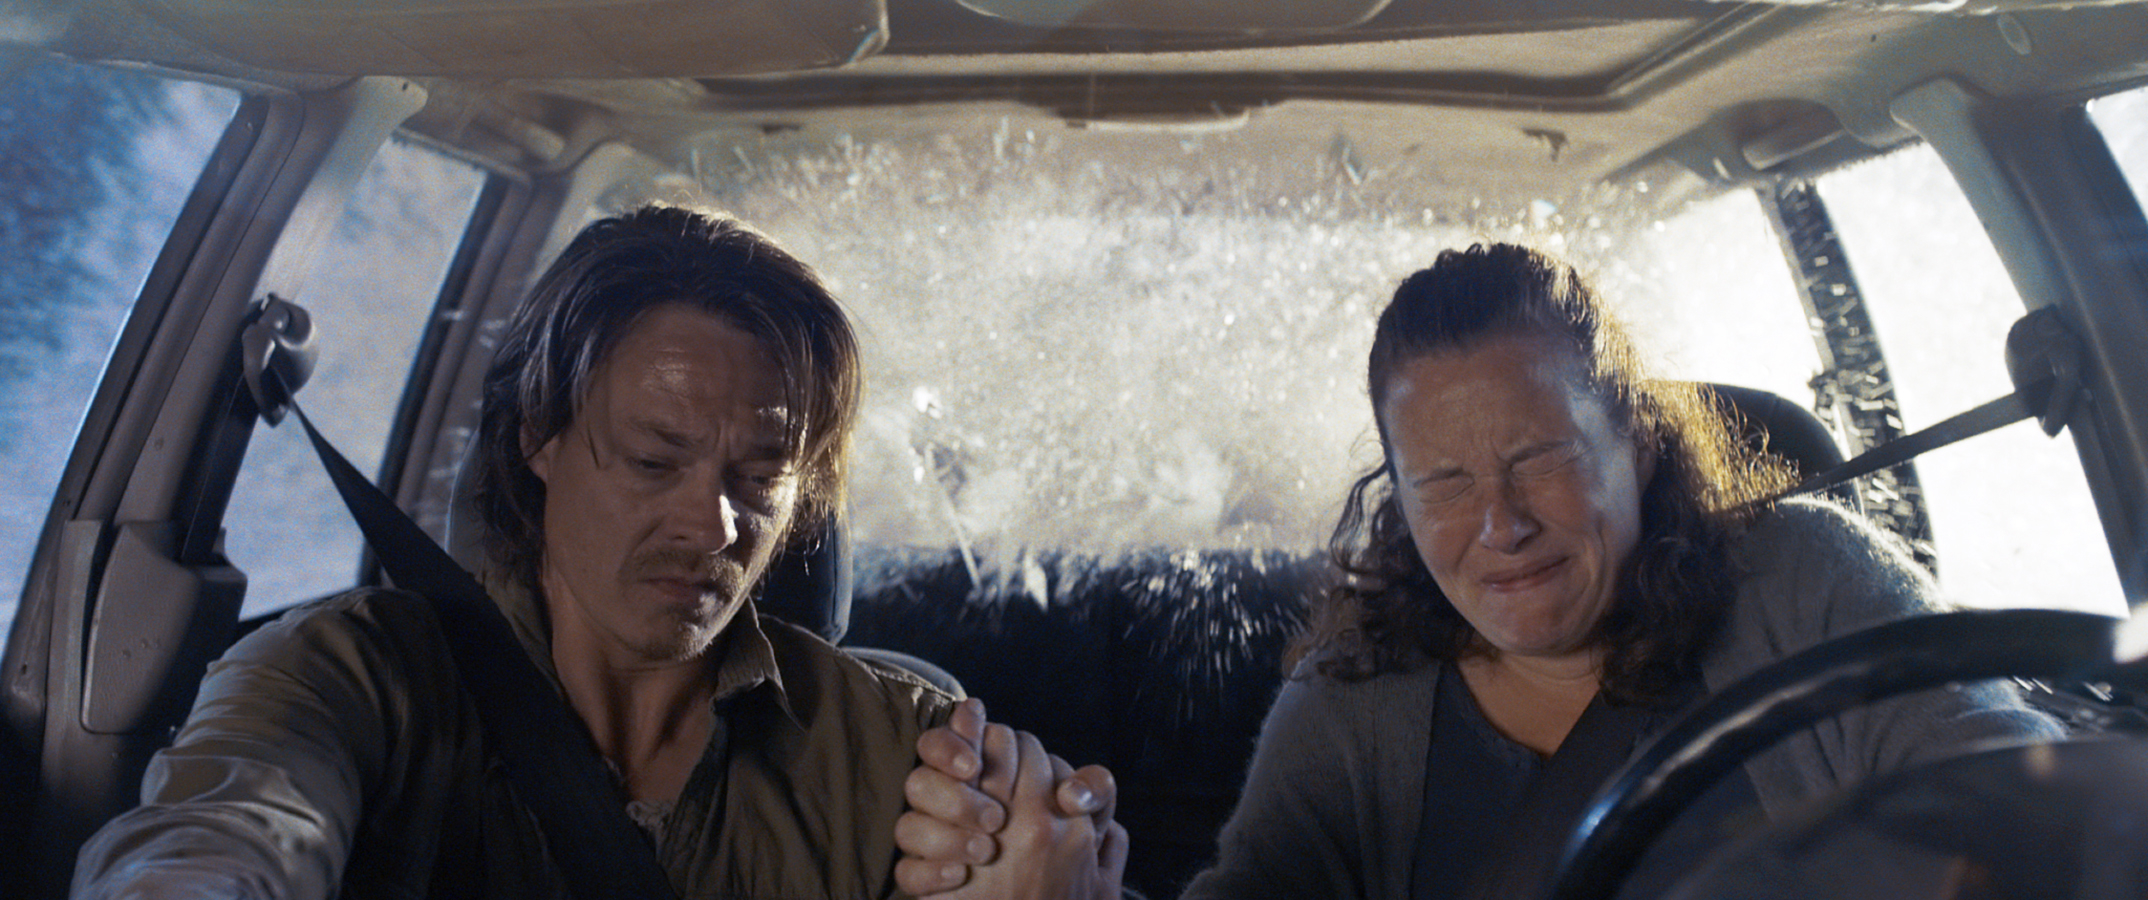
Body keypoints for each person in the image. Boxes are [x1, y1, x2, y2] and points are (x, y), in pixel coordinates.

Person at [898, 242, 2060, 899]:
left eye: (1541, 458)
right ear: (1396, 495)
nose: (1497, 522)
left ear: (1638, 446)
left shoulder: (1801, 582)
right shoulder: (1356, 697)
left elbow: (2019, 794)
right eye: (1441, 482)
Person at [72, 206, 1100, 899]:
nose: (713, 529)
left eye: (761, 477)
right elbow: (226, 834)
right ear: (540, 438)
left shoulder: (898, 751)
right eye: (656, 459)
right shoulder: (350, 682)